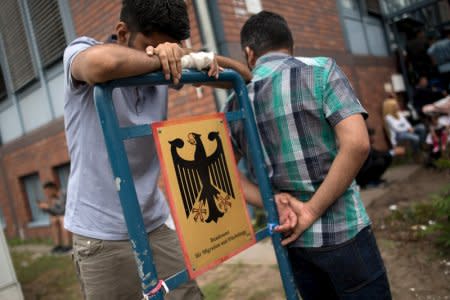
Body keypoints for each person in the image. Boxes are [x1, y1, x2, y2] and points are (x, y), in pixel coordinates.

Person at [63, 1, 254, 299]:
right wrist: (161, 59)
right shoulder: (82, 50)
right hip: (101, 234)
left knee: (188, 295)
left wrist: (192, 58)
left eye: (169, 49)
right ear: (123, 33)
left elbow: (243, 77)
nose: (161, 56)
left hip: (153, 222)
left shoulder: (168, 60)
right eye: (151, 47)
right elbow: (104, 65)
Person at [225, 11, 391, 299]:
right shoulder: (321, 71)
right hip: (346, 233)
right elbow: (357, 144)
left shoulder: (234, 104)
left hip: (292, 240)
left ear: (249, 54)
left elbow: (222, 174)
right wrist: (312, 210)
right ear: (290, 44)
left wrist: (272, 204)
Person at [38, 181, 72, 254]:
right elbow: (54, 213)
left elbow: (63, 210)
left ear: (53, 189)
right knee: (53, 220)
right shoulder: (52, 198)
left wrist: (49, 207)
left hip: (71, 215)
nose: (46, 194)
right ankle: (58, 245)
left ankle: (67, 245)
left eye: (47, 192)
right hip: (63, 215)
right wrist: (45, 208)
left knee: (62, 219)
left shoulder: (63, 194)